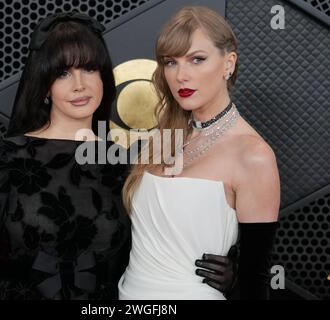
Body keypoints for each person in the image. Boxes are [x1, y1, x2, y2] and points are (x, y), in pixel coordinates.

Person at [0, 12, 235, 300]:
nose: (79, 85)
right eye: (62, 73)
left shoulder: (131, 165)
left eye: (89, 69)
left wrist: (224, 274)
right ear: (45, 84)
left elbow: (159, 257)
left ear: (103, 75)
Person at [119, 6, 280, 300]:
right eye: (171, 62)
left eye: (197, 59)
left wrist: (237, 280)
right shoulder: (162, 138)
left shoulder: (253, 155)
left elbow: (256, 279)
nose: (181, 75)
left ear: (229, 63)